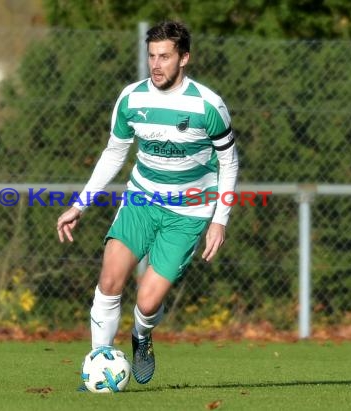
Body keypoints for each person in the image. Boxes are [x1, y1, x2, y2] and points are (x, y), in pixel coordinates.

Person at [56, 20, 239, 388]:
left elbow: (229, 161)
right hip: (140, 200)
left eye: (165, 57)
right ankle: (98, 367)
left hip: (188, 213)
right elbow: (113, 154)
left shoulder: (208, 105)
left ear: (184, 58)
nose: (156, 65)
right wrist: (80, 204)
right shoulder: (131, 98)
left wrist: (220, 219)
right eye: (152, 56)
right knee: (109, 279)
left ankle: (141, 334)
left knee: (149, 302)